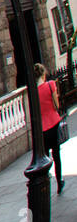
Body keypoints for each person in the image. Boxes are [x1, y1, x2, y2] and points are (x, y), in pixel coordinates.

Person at [35, 63, 65, 194]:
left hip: (43, 127)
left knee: (45, 156)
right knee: (56, 153)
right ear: (43, 74)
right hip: (53, 121)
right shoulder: (50, 85)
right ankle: (59, 182)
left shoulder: (34, 93)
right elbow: (56, 105)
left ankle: (46, 185)